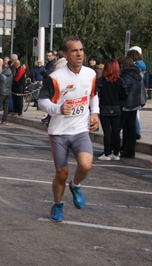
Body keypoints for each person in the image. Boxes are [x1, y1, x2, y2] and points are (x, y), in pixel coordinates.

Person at [38, 36, 100, 222]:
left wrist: (95, 113)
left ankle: (76, 185)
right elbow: (42, 101)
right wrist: (58, 109)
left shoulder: (90, 74)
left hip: (80, 130)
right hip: (59, 133)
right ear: (65, 54)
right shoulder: (55, 77)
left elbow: (93, 95)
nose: (79, 54)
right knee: (61, 173)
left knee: (86, 165)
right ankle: (57, 205)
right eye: (74, 51)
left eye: (81, 50)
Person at [96, 59, 127, 161]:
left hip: (105, 107)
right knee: (116, 131)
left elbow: (97, 94)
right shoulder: (120, 81)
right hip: (116, 108)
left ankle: (107, 152)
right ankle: (116, 153)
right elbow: (124, 95)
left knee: (107, 132)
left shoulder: (101, 80)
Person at [119, 56, 142, 158]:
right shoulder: (137, 75)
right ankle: (130, 150)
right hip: (135, 103)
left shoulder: (125, 76)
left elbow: (123, 89)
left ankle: (113, 149)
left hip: (126, 104)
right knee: (130, 128)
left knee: (118, 126)